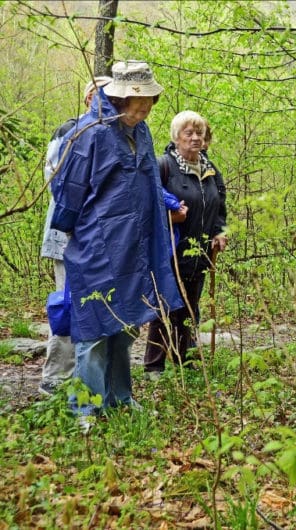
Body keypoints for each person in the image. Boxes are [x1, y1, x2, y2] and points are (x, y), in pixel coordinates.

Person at [50, 60, 183, 420]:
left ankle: (120, 397)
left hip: (136, 248)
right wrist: (67, 230)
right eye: (137, 105)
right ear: (120, 99)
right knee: (93, 328)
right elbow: (70, 188)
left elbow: (151, 186)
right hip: (97, 246)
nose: (143, 111)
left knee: (124, 327)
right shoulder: (90, 132)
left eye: (148, 105)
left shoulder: (142, 132)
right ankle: (86, 409)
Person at [39, 76, 112, 396]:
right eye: (100, 94)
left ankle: (89, 379)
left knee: (96, 309)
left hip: (99, 241)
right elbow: (59, 182)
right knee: (68, 305)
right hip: (67, 236)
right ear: (87, 98)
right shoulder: (69, 131)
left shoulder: (113, 136)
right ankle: (55, 378)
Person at [143, 111, 227, 376]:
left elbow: (220, 208)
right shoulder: (163, 166)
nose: (195, 138)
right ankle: (154, 366)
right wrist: (172, 217)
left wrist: (220, 232)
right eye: (188, 133)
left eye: (199, 133)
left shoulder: (211, 171)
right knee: (164, 307)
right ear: (176, 137)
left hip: (200, 252)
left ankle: (186, 362)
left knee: (191, 309)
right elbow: (147, 207)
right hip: (169, 251)